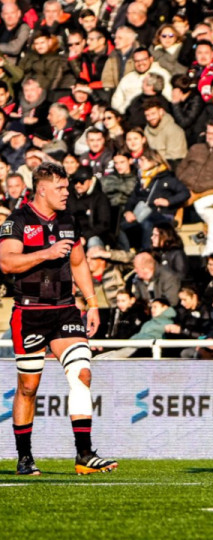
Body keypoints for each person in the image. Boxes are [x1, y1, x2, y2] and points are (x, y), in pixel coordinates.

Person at [0, 161, 117, 475]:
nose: (68, 192)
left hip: (65, 309)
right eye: (61, 188)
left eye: (67, 187)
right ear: (42, 188)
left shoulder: (69, 219)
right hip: (30, 312)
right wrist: (45, 254)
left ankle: (84, 454)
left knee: (82, 374)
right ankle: (24, 457)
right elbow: (7, 263)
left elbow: (78, 262)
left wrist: (92, 304)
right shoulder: (18, 220)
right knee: (28, 388)